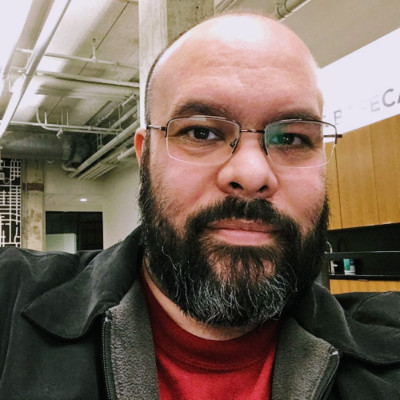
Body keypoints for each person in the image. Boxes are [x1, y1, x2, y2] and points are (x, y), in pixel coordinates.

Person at [0, 12, 399, 400]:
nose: (252, 173)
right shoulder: (10, 303)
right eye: (201, 132)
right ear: (145, 156)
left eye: (291, 138)